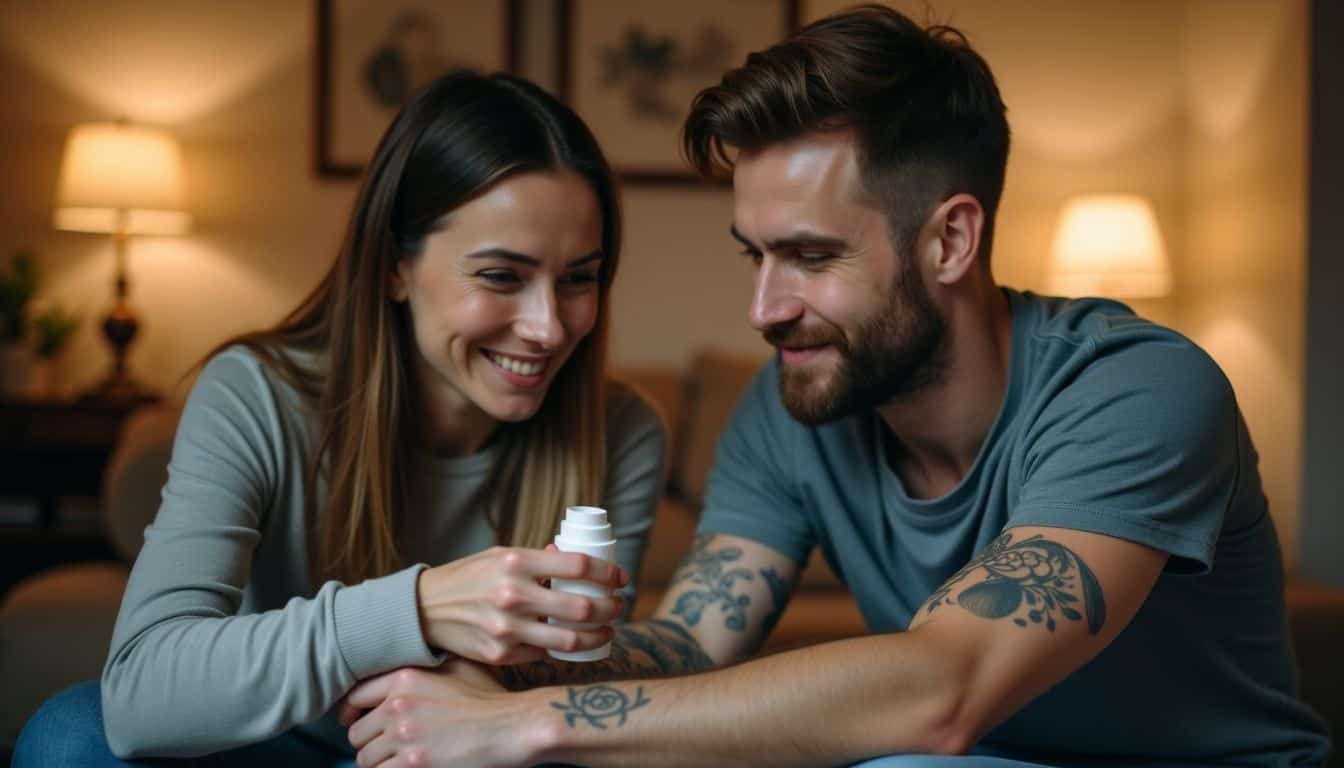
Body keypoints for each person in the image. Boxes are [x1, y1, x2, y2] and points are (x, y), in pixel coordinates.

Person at [333, 6, 1332, 767]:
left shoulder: (1137, 388)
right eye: (754, 255)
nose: (765, 307)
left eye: (808, 256)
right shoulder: (793, 404)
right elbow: (692, 644)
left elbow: (946, 687)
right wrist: (495, 670)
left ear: (949, 238)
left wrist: (526, 724)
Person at [13, 70, 666, 766]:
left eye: (578, 278)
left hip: (448, 754)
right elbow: (143, 693)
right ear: (393, 266)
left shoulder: (623, 433)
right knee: (70, 734)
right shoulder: (256, 393)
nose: (547, 327)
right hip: (264, 743)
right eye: (501, 276)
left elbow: (573, 698)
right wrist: (415, 609)